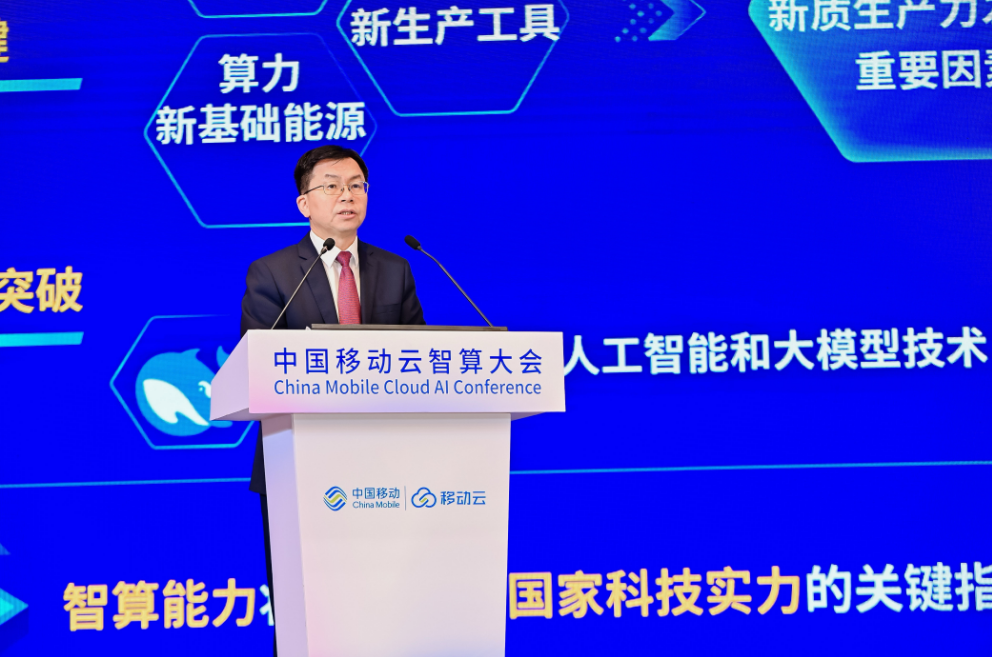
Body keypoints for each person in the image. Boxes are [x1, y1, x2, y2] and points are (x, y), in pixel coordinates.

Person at [240, 144, 426, 654]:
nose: (347, 195)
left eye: (356, 185)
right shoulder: (273, 272)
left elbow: (423, 362)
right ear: (304, 203)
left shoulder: (396, 268)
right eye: (332, 186)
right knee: (307, 609)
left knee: (384, 604)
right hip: (298, 463)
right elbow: (260, 362)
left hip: (387, 468)